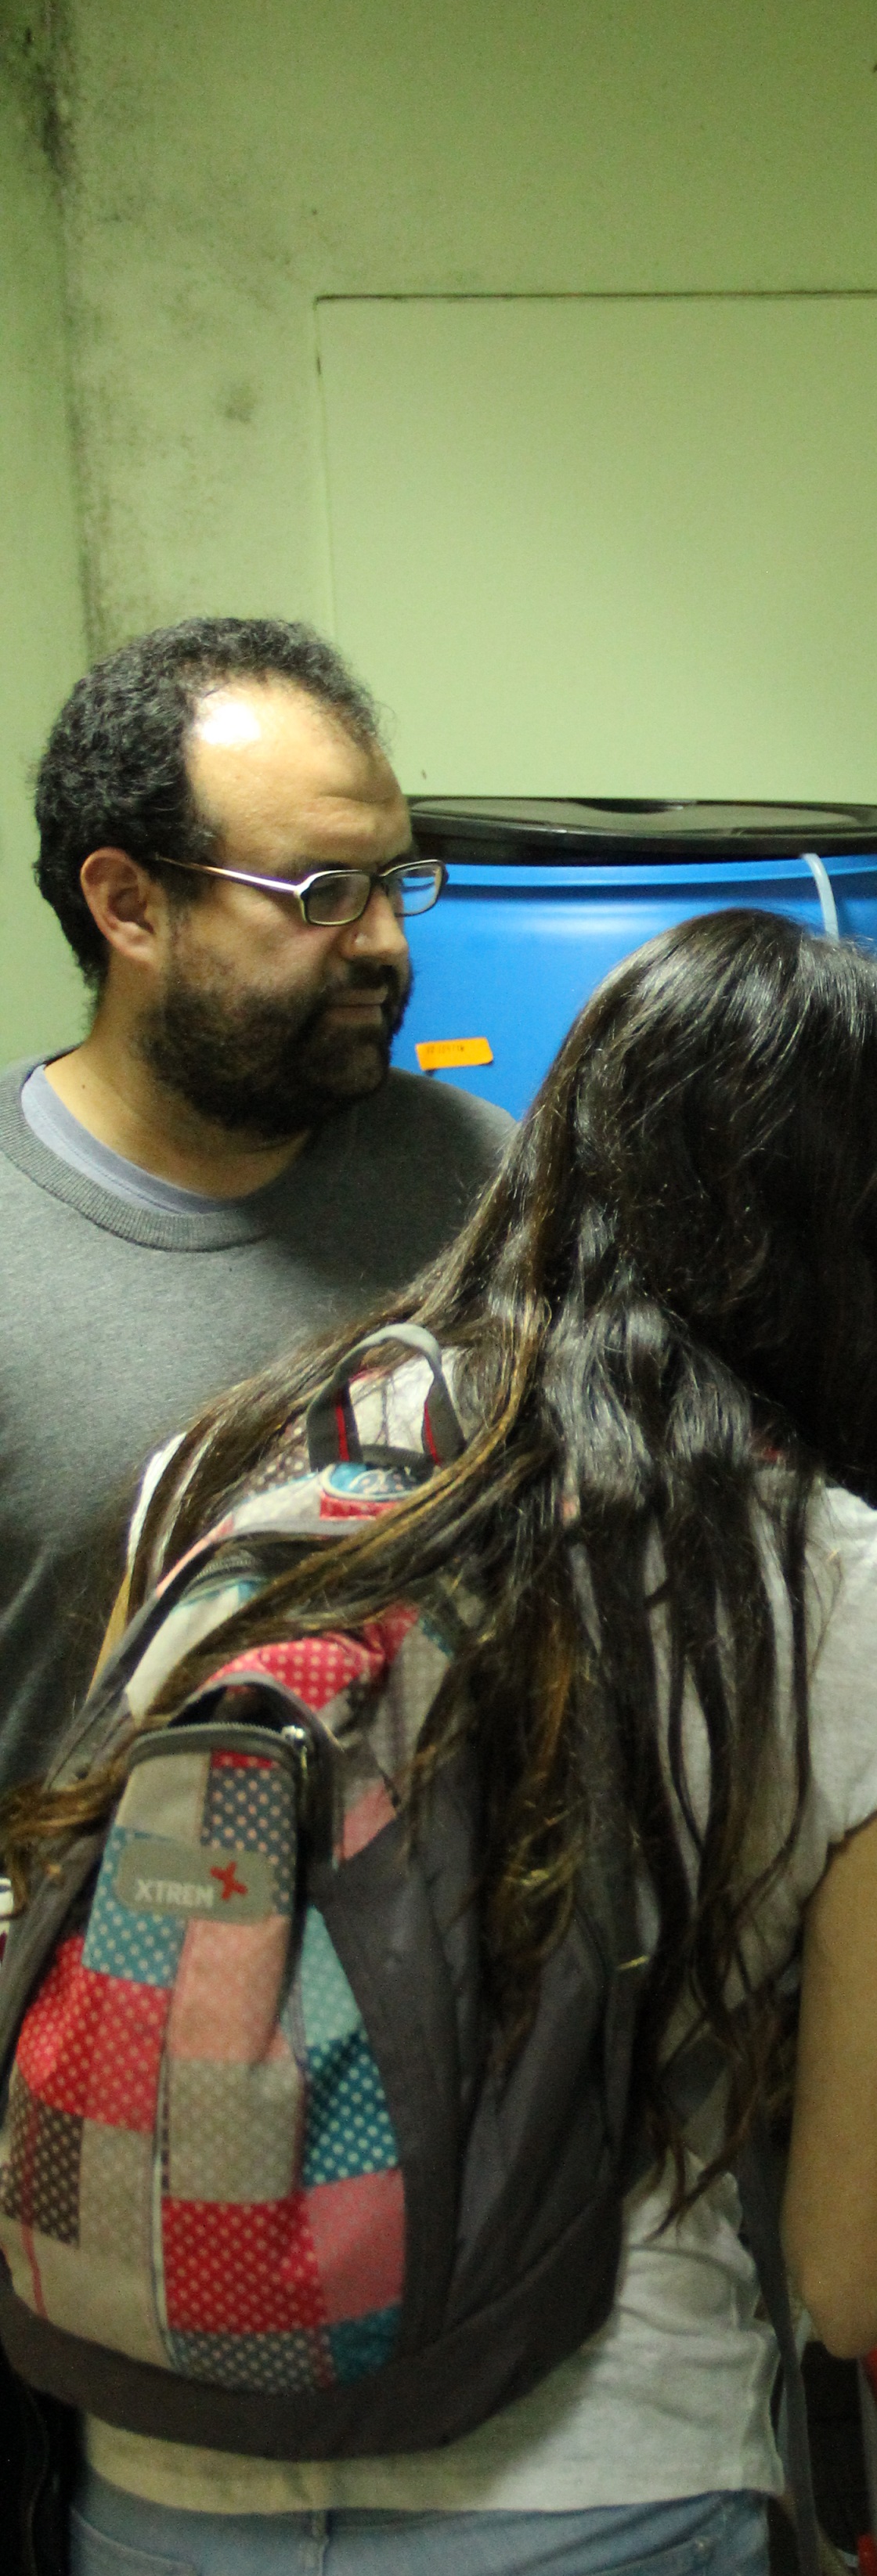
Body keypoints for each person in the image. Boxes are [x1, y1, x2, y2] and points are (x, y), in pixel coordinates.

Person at [4, 906, 877, 2576]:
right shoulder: (875, 1606)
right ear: (817, 1243)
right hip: (584, 2540)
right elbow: (849, 2273)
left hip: (165, 2503)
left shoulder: (242, 1468)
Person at [0, 616, 512, 1803]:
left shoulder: (487, 1192)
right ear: (129, 905)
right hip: (82, 1970)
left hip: (422, 1964)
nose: (383, 942)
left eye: (394, 882)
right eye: (325, 892)